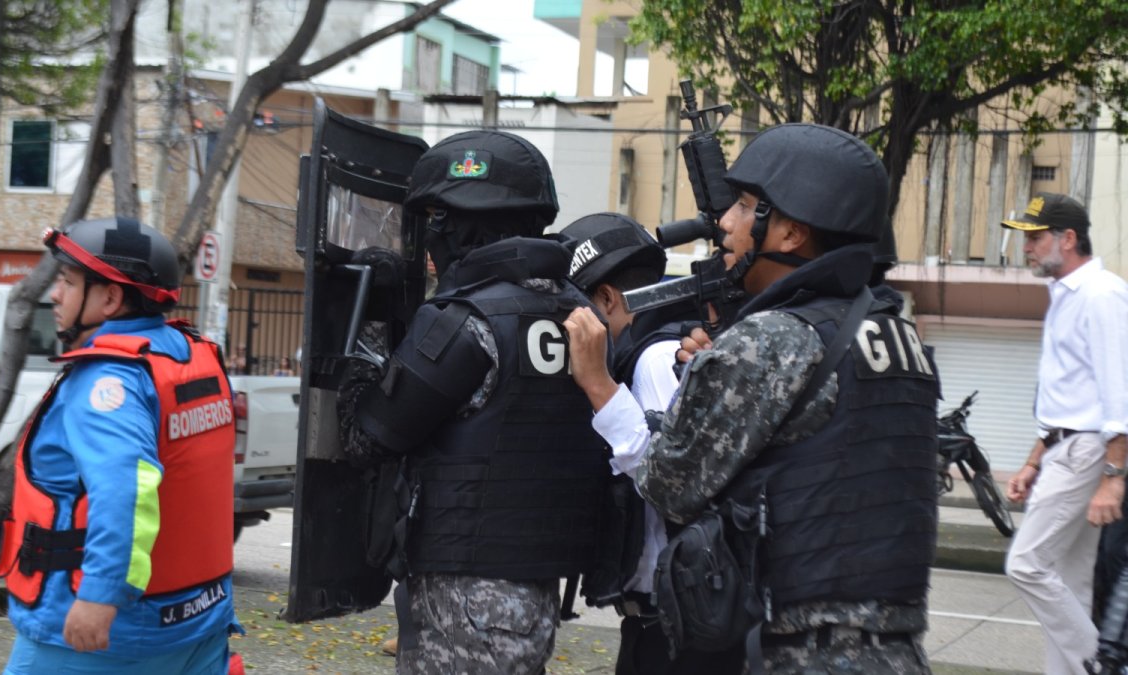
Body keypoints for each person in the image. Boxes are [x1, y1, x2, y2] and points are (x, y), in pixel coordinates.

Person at [571, 123, 940, 673]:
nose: (725, 221)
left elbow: (670, 486)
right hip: (896, 647)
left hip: (802, 649)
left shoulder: (769, 341)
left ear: (791, 233)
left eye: (745, 206)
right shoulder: (897, 335)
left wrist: (601, 385)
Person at [336, 130, 611, 675]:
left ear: (458, 224)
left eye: (436, 219)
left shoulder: (465, 321)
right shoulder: (578, 311)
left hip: (466, 596)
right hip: (532, 590)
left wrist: (367, 321)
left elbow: (365, 437)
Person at [0, 217, 241, 674]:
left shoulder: (109, 381)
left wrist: (100, 596)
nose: (55, 295)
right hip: (197, 620)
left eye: (68, 283)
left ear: (109, 298)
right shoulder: (189, 357)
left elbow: (124, 488)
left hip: (106, 638)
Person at [560, 213, 742, 674]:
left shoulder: (658, 358)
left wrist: (599, 385)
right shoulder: (649, 351)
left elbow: (670, 482)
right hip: (660, 623)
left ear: (605, 298)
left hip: (680, 626)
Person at [999, 192, 1128, 674]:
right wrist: (1034, 460)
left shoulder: (1102, 294)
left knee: (1027, 565)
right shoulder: (1065, 296)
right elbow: (1066, 397)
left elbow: (1120, 391)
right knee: (1070, 585)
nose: (1026, 248)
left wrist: (1113, 476)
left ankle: (1102, 663)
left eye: (1034, 238)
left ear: (1068, 238)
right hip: (1064, 447)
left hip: (1086, 450)